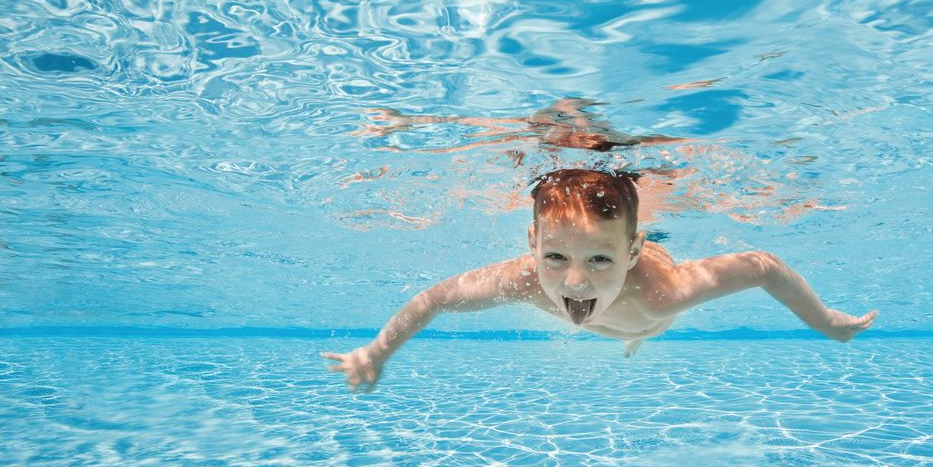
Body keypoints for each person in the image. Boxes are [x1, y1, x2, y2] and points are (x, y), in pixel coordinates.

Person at [322, 168, 877, 392]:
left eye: (603, 260)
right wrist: (378, 350)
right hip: (626, 323)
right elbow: (437, 298)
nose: (576, 281)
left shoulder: (668, 289)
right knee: (621, 324)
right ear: (533, 244)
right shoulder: (522, 282)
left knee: (642, 326)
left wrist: (825, 321)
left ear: (635, 250)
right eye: (557, 256)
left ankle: (636, 336)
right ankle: (631, 336)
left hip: (647, 322)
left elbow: (763, 267)